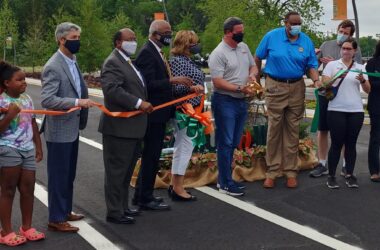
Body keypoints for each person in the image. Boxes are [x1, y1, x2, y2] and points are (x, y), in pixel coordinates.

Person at [254, 11, 319, 188]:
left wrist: (316, 80)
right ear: (286, 23)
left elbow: (312, 65)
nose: (297, 27)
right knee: (274, 128)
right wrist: (256, 77)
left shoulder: (305, 40)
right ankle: (272, 171)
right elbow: (258, 57)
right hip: (275, 85)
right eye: (294, 23)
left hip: (297, 87)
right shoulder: (271, 36)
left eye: (299, 23)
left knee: (293, 130)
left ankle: (291, 171)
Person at [41, 22, 96, 232]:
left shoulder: (72, 60)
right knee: (58, 175)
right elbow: (47, 99)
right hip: (59, 130)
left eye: (78, 37)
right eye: (73, 38)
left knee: (69, 174)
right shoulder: (53, 65)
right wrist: (76, 103)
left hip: (72, 127)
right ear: (61, 40)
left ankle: (65, 211)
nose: (77, 41)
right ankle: (55, 217)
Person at [133, 20, 192, 210]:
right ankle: (145, 197)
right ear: (155, 34)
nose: (169, 35)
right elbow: (147, 85)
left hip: (160, 112)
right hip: (154, 113)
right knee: (150, 155)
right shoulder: (147, 53)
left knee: (153, 155)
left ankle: (142, 194)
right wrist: (172, 81)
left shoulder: (156, 52)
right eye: (167, 32)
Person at [99, 28, 153, 224]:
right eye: (129, 39)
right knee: (116, 172)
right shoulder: (113, 62)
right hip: (119, 128)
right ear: (118, 43)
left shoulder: (128, 62)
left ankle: (123, 207)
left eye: (135, 38)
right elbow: (112, 91)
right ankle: (114, 212)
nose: (134, 42)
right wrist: (138, 103)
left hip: (133, 128)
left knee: (126, 172)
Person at [209, 17, 257, 196]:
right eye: (239, 31)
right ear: (228, 32)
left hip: (241, 101)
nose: (242, 33)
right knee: (225, 142)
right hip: (225, 101)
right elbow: (218, 82)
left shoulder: (243, 48)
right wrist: (239, 87)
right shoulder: (218, 53)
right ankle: (225, 182)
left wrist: (252, 76)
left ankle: (227, 179)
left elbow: (253, 66)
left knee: (235, 142)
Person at [310, 19, 363, 178]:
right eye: (341, 31)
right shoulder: (326, 44)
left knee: (344, 133)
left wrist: (337, 64)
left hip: (344, 97)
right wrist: (318, 58)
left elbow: (357, 70)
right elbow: (313, 62)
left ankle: (346, 165)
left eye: (346, 34)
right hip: (327, 94)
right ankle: (322, 163)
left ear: (350, 36)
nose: (342, 35)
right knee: (323, 129)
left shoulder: (355, 50)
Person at [0, 61, 45, 246]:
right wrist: (10, 115)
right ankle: (6, 231)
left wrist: (38, 146)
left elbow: (33, 122)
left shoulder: (27, 98)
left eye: (24, 79)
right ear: (6, 83)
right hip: (8, 147)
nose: (24, 82)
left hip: (27, 148)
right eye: (19, 80)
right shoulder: (1, 100)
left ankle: (27, 227)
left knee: (28, 189)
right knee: (8, 190)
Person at [323, 39, 370, 189]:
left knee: (351, 144)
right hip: (336, 109)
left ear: (354, 51)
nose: (345, 51)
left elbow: (368, 90)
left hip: (355, 110)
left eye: (349, 49)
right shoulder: (332, 65)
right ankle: (331, 176)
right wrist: (337, 76)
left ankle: (349, 174)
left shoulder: (360, 67)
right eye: (344, 48)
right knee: (336, 143)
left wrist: (363, 80)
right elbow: (324, 84)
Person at [168, 30, 205, 201]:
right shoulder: (177, 62)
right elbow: (175, 88)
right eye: (194, 42)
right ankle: (177, 187)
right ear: (186, 44)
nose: (197, 45)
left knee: (185, 147)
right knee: (183, 147)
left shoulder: (188, 61)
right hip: (184, 110)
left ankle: (176, 184)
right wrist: (191, 89)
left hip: (194, 109)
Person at [366, 40, 380, 182]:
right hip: (377, 106)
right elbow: (370, 84)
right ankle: (375, 170)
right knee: (376, 138)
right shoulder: (372, 63)